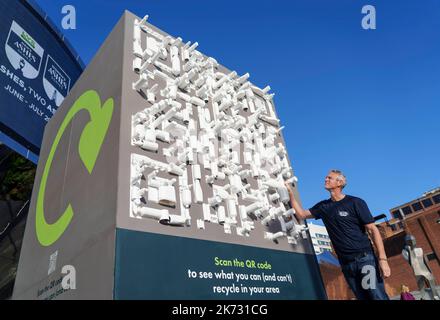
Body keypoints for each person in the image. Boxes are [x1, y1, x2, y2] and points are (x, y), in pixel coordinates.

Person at [285, 169, 391, 300]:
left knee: (376, 296)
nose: (326, 180)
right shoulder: (323, 207)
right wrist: (290, 193)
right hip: (347, 264)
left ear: (340, 182)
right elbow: (301, 214)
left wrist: (383, 259)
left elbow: (373, 229)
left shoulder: (355, 202)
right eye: (326, 178)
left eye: (329, 178)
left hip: (364, 260)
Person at [402, 234, 440, 300]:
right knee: (421, 286)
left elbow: (424, 260)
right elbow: (411, 263)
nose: (412, 242)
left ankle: (435, 296)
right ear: (407, 242)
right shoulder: (404, 252)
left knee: (431, 281)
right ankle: (424, 298)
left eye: (413, 240)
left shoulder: (420, 249)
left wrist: (429, 270)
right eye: (410, 241)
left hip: (425, 269)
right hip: (417, 271)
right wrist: (410, 251)